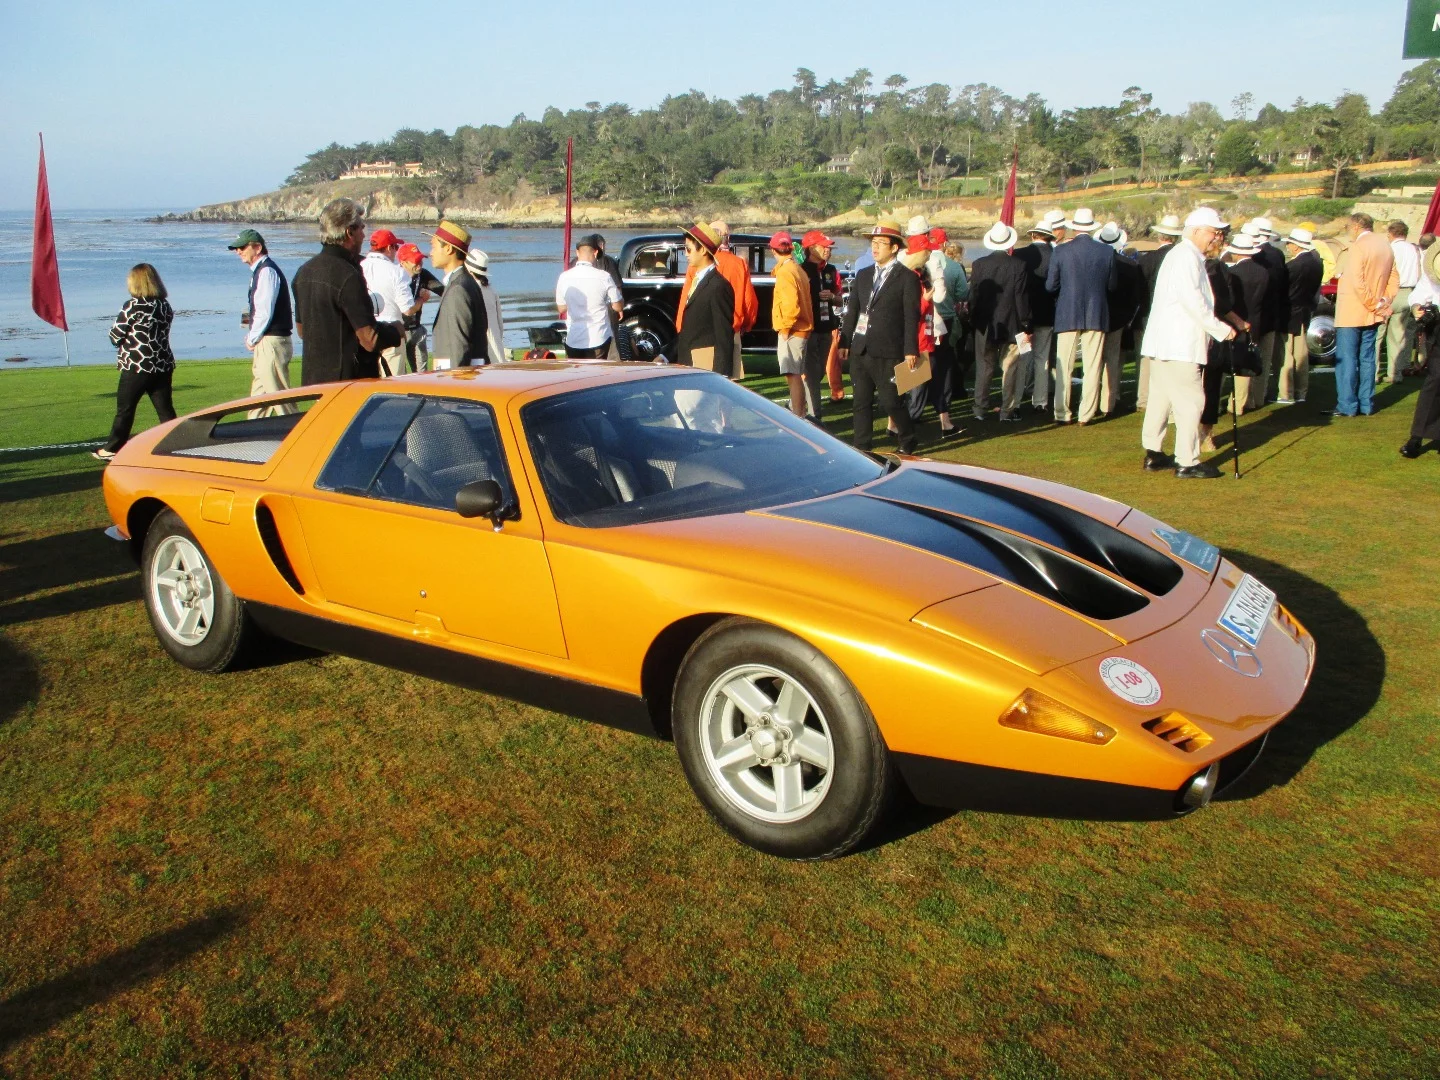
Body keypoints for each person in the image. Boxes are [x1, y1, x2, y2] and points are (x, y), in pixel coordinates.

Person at [1139, 207, 1236, 479]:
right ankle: (1187, 460)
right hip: (1178, 343)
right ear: (1195, 231)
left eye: (1218, 233)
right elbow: (1193, 300)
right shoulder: (1186, 257)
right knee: (1190, 402)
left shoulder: (1181, 255)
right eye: (1213, 232)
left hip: (1165, 342)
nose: (1216, 237)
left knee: (1162, 399)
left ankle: (1155, 452)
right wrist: (1220, 329)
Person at [292, 198, 399, 384]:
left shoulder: (304, 272)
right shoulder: (348, 274)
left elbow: (302, 330)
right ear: (349, 232)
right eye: (362, 227)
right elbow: (369, 339)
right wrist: (396, 330)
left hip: (312, 381)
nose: (364, 235)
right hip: (347, 383)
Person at [840, 219, 920, 453]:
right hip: (861, 348)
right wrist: (845, 339)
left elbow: (910, 316)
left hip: (889, 349)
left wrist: (910, 349)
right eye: (873, 243)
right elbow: (853, 309)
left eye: (881, 243)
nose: (875, 248)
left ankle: (907, 438)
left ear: (894, 247)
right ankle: (862, 446)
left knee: (891, 401)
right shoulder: (863, 275)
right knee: (861, 402)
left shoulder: (907, 277)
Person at [94, 263, 178, 460]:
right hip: (163, 363)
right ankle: (177, 444)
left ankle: (112, 448)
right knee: (165, 409)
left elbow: (115, 335)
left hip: (137, 365)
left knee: (125, 409)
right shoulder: (164, 306)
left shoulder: (133, 305)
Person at [1047, 207, 1118, 423]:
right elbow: (1112, 285)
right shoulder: (1106, 252)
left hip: (1067, 311)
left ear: (1074, 227)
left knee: (1064, 366)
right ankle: (1086, 413)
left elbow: (1051, 285)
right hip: (1097, 311)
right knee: (1092, 365)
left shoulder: (1060, 251)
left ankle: (1062, 412)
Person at [1333, 212, 1399, 417]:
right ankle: (1366, 403)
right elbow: (1394, 277)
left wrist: (1373, 303)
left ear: (1355, 227)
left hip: (1352, 311)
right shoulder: (1384, 245)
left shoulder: (1358, 247)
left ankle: (1347, 405)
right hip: (1373, 312)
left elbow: (1356, 281)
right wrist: (1384, 301)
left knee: (1347, 359)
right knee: (1368, 358)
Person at [968, 222, 1033, 422]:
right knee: (1010, 367)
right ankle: (1007, 410)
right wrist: (1026, 324)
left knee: (984, 367)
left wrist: (973, 317)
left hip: (985, 324)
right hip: (1011, 322)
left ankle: (980, 408)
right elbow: (1021, 298)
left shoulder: (979, 264)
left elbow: (974, 296)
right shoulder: (1018, 266)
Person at [674, 221, 758, 375]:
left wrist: (719, 375)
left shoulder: (718, 283)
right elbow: (749, 300)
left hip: (710, 356)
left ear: (703, 250)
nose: (685, 253)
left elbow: (723, 335)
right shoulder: (735, 264)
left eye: (688, 249)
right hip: (695, 351)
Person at [227, 228, 294, 416]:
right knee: (258, 400)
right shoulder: (260, 271)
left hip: (271, 341)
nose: (238, 251)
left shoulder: (266, 271)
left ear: (257, 247)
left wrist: (252, 337)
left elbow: (264, 310)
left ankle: (298, 433)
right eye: (237, 248)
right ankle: (252, 437)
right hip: (267, 341)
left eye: (242, 247)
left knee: (280, 399)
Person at [1135, 214, 1183, 411]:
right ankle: (1170, 399)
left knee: (1147, 358)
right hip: (1175, 315)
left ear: (1160, 236)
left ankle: (1144, 399)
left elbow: (1139, 289)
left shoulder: (1149, 259)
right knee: (1172, 359)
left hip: (1150, 313)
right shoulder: (1182, 258)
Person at [361, 228, 423, 378]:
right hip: (391, 332)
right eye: (395, 247)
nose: (396, 251)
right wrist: (421, 301)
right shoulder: (396, 272)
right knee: (394, 385)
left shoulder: (360, 267)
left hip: (365, 333)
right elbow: (407, 309)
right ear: (389, 248)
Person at [427, 219, 489, 368]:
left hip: (455, 377)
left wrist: (455, 386)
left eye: (434, 247)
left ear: (448, 249)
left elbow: (459, 346)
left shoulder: (458, 289)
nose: (430, 253)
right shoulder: (465, 282)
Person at [1097, 221, 1144, 416]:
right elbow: (1135, 296)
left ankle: (1096, 398)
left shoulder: (1097, 260)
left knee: (1096, 360)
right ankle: (1109, 400)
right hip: (1118, 318)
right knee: (1112, 359)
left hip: (1099, 316)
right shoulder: (1130, 265)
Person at [1244, 217, 1291, 407]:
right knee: (1263, 359)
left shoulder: (1255, 257)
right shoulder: (1278, 255)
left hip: (1253, 315)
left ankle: (1246, 399)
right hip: (1272, 314)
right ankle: (1259, 397)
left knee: (1248, 358)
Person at [1400, 244, 1440, 457]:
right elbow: (1418, 296)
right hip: (1438, 329)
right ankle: (1416, 437)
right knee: (1434, 382)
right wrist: (1417, 308)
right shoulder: (1433, 271)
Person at [555, 235, 622, 359]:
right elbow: (617, 306)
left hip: (574, 338)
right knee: (597, 375)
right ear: (596, 252)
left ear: (577, 252)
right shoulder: (604, 276)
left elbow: (561, 308)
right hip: (599, 337)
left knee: (577, 377)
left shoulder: (564, 277)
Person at [800, 229, 844, 419]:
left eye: (829, 247)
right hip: (808, 330)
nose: (828, 250)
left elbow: (841, 299)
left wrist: (833, 297)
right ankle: (815, 417)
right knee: (811, 374)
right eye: (824, 246)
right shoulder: (800, 270)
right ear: (811, 248)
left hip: (827, 328)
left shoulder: (831, 271)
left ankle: (798, 403)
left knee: (817, 373)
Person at [1226, 232, 1271, 414]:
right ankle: (1248, 400)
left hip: (1237, 321)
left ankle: (1237, 405)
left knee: (1237, 361)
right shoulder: (1263, 272)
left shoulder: (1233, 273)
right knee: (1250, 358)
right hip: (1256, 319)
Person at [769, 232, 813, 416]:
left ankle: (798, 414)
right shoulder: (795, 268)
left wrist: (785, 329)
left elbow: (790, 305)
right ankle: (800, 412)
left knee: (792, 375)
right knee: (796, 375)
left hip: (793, 330)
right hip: (800, 329)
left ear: (773, 250)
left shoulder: (786, 271)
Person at [1279, 228, 1323, 404]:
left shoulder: (1293, 266)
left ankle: (1286, 392)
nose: (1288, 247)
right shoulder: (1316, 263)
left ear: (1295, 246)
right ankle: (1301, 391)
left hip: (1290, 311)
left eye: (1289, 243)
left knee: (1287, 354)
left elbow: (1283, 291)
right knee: (1301, 353)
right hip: (1305, 310)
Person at [1016, 222, 1056, 414]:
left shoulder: (1019, 255)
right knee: (1042, 359)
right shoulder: (1055, 255)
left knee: (1022, 358)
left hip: (1023, 317)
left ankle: (1015, 400)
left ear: (1033, 235)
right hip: (1047, 314)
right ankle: (1040, 400)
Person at [1378, 220, 1421, 384]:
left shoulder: (1389, 248)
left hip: (1389, 291)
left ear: (1391, 233)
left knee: (1378, 335)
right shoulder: (1414, 249)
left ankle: (1374, 373)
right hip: (1407, 293)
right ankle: (1395, 373)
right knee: (1398, 336)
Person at [397, 242, 444, 372]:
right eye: (415, 261)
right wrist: (421, 300)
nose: (419, 264)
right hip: (399, 331)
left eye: (420, 259)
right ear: (403, 262)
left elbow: (444, 292)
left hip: (416, 328)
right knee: (400, 373)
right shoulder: (395, 276)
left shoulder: (423, 275)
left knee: (422, 372)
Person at [466, 248, 507, 362]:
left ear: (469, 271)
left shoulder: (470, 291)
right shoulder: (491, 290)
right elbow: (500, 323)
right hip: (496, 343)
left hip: (480, 347)